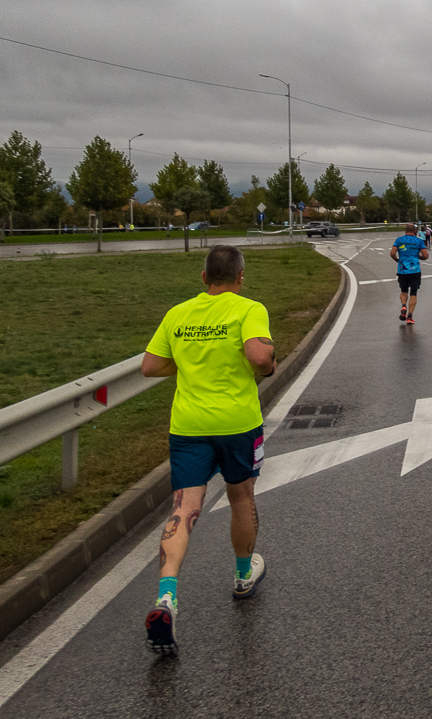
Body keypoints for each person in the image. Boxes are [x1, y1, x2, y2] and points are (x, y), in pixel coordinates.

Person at [140, 245, 276, 655]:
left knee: (184, 506)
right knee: (241, 496)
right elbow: (258, 355)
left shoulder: (178, 314)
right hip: (237, 424)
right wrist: (267, 363)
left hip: (189, 426)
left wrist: (186, 364)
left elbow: (149, 365)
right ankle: (242, 575)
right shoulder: (249, 308)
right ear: (239, 277)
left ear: (204, 277)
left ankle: (167, 596)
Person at [390, 223, 430, 325]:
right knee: (413, 293)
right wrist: (420, 258)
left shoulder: (399, 240)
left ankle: (403, 305)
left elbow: (392, 253)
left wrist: (397, 260)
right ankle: (410, 316)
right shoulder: (419, 241)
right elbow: (425, 255)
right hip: (415, 270)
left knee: (403, 290)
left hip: (402, 270)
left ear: (405, 231)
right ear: (415, 231)